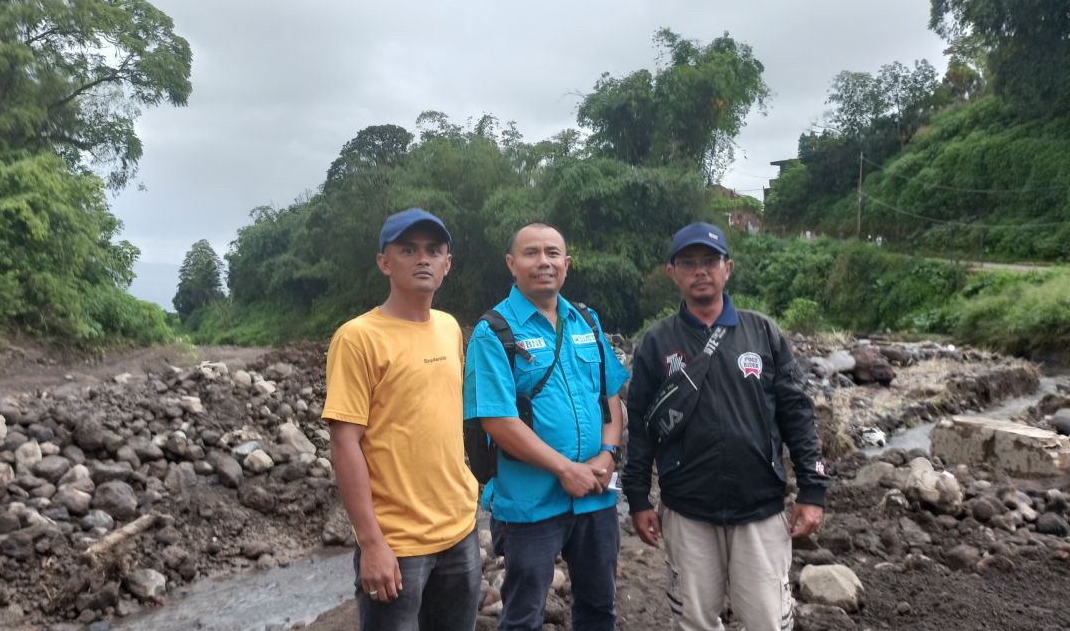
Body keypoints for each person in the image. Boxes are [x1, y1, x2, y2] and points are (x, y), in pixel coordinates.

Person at [623, 221, 829, 631]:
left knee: (768, 621)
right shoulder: (657, 341)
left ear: (728, 268)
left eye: (710, 261)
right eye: (689, 263)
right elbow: (642, 425)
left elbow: (797, 412)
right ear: (673, 273)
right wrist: (638, 498)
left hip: (760, 508)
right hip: (688, 509)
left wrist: (812, 489)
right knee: (696, 620)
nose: (700, 271)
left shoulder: (763, 332)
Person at [464, 222, 629, 631]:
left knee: (599, 608)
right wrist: (563, 469)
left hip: (595, 496)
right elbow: (498, 421)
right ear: (512, 264)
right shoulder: (494, 332)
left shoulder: (586, 322)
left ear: (567, 264)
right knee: (523, 615)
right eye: (532, 253)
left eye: (553, 253)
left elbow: (610, 399)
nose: (544, 262)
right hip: (530, 504)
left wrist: (607, 454)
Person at [322, 208, 481, 631]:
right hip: (397, 544)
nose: (423, 259)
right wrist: (371, 542)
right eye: (408, 249)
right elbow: (345, 442)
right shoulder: (358, 338)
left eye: (434, 250)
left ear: (447, 265)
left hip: (459, 530)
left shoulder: (449, 328)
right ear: (384, 262)